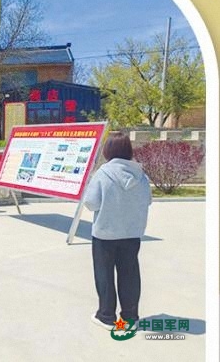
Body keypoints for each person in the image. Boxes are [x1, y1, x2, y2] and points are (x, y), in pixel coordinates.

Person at [84, 131, 152, 331]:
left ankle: (106, 316)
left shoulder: (103, 174)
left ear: (108, 151)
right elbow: (148, 200)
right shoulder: (141, 176)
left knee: (104, 274)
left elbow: (91, 203)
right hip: (132, 233)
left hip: (105, 234)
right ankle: (130, 317)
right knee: (130, 274)